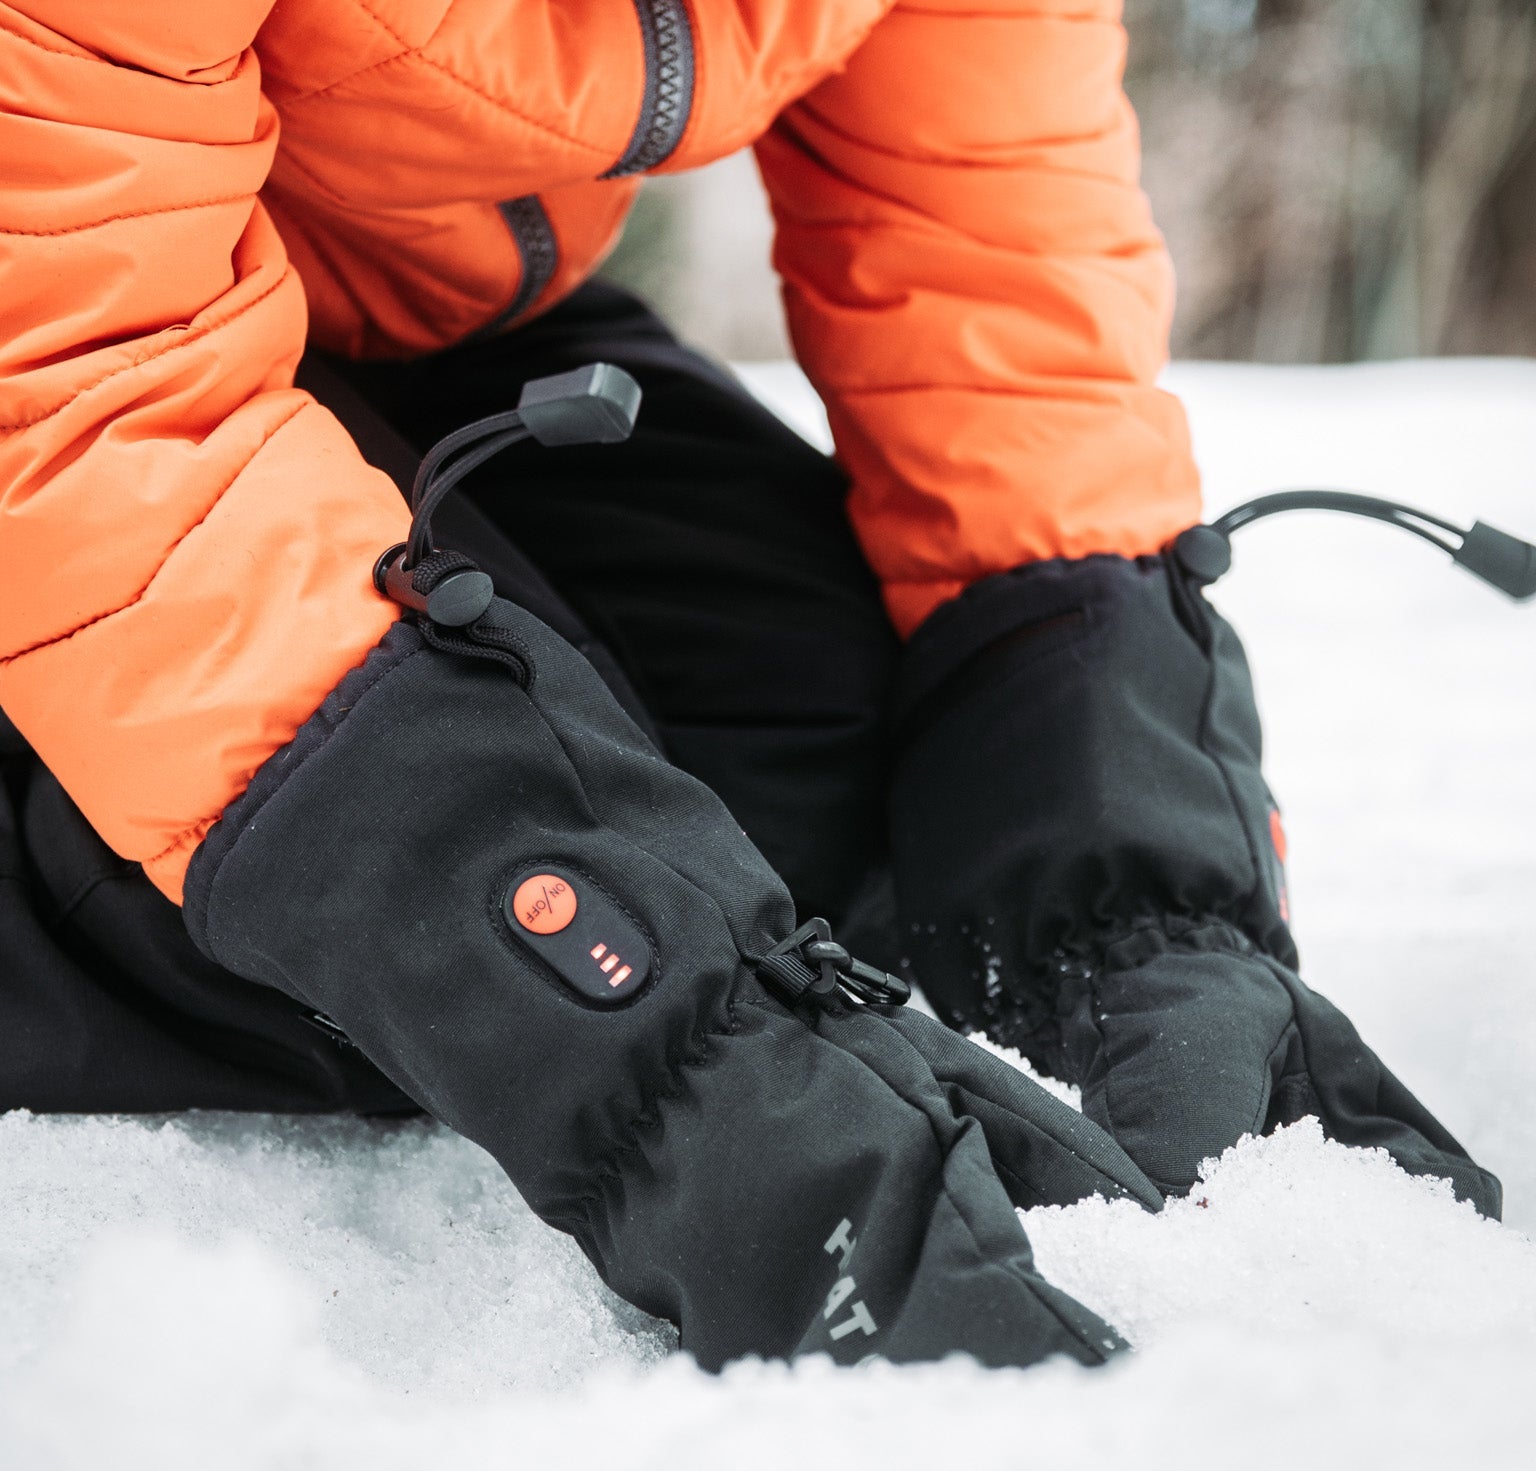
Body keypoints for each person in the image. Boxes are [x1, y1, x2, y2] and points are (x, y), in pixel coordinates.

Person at [0, 1, 1498, 1370]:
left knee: (809, 770)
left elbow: (992, 287)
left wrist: (1126, 896)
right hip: (66, 334)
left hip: (389, 303)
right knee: (362, 896)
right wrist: (659, 1048)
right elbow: (69, 384)